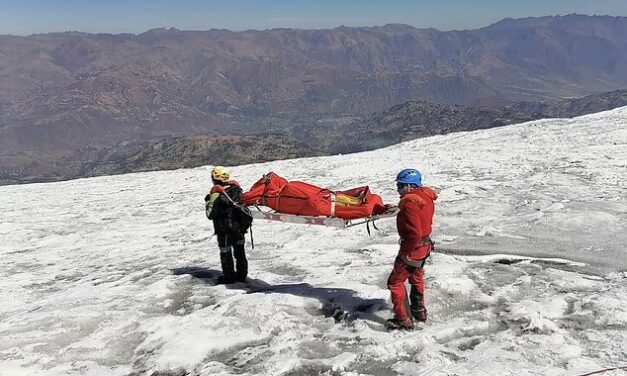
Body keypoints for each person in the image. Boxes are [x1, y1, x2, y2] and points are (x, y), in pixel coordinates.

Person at [386, 168, 438, 330]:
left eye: (401, 186)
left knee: (395, 282)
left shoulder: (409, 202)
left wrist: (406, 252)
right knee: (416, 277)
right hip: (425, 246)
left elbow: (414, 233)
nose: (399, 190)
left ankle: (403, 319)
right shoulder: (425, 196)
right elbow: (419, 214)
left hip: (413, 249)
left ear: (409, 186)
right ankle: (419, 310)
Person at [205, 166, 249, 284]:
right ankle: (242, 276)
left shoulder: (216, 194)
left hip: (224, 230)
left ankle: (229, 278)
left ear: (215, 178)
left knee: (226, 252)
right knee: (240, 252)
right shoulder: (237, 189)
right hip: (239, 228)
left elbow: (210, 214)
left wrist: (209, 199)